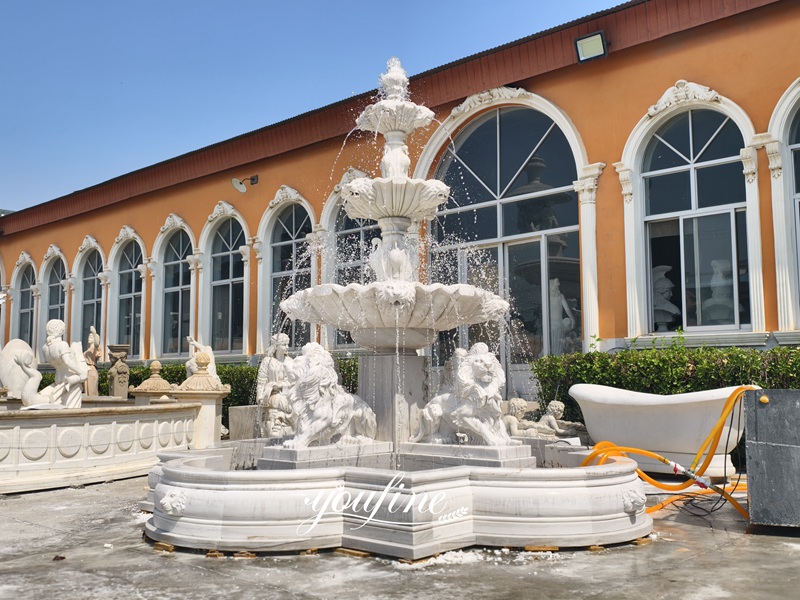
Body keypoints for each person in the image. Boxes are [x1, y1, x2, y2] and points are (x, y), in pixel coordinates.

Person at [39, 319, 89, 408]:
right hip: (71, 381)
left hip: (58, 380)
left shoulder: (45, 348)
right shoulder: (62, 344)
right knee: (72, 412)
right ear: (62, 330)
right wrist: (82, 372)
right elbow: (67, 362)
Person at [256, 333, 294, 438]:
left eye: (287, 344)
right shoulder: (267, 362)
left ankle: (282, 421)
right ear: (276, 346)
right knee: (282, 402)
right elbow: (262, 381)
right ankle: (278, 422)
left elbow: (293, 381)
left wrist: (281, 385)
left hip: (286, 392)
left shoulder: (290, 362)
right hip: (271, 394)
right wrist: (260, 396)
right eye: (284, 345)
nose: (287, 347)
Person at [549, 278, 575, 356]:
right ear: (552, 284)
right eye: (557, 282)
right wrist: (572, 320)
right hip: (553, 324)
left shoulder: (560, 296)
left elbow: (567, 309)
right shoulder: (548, 296)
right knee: (555, 345)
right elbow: (567, 309)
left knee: (556, 345)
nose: (559, 284)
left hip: (557, 324)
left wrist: (572, 319)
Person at [83, 325, 101, 396]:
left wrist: (94, 333)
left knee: (92, 391)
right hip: (86, 370)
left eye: (91, 337)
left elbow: (97, 343)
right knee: (87, 391)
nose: (88, 338)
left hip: (91, 369)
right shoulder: (88, 349)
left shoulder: (95, 348)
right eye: (88, 337)